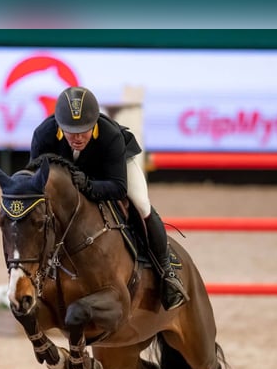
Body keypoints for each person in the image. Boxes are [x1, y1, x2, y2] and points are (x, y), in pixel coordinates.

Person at [30, 86, 188, 310]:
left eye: (84, 130)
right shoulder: (43, 135)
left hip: (113, 169)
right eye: (70, 131)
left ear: (94, 123)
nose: (77, 137)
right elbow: (37, 183)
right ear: (59, 125)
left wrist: (88, 184)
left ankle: (166, 272)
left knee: (142, 205)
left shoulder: (109, 136)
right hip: (75, 175)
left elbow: (118, 188)